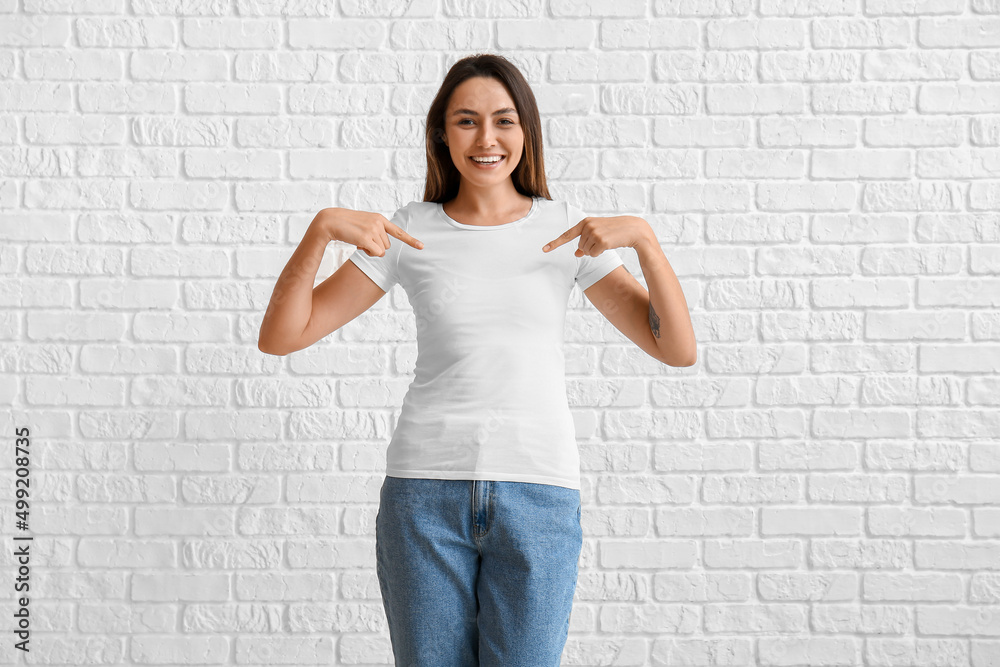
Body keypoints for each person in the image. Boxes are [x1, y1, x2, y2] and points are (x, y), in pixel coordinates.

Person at [258, 53, 696, 667]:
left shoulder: (566, 233)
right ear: (442, 132)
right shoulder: (411, 231)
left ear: (526, 132)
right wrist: (320, 231)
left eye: (504, 121)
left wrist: (645, 241)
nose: (486, 139)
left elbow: (675, 349)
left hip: (539, 493)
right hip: (424, 493)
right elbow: (283, 336)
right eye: (466, 121)